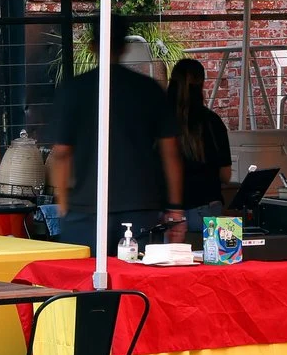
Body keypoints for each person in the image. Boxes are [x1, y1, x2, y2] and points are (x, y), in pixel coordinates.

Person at [47, 46, 183, 250]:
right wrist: (175, 208)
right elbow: (170, 152)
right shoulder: (148, 88)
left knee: (84, 278)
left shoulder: (74, 89)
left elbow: (61, 152)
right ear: (125, 47)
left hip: (86, 206)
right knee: (136, 278)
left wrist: (64, 205)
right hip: (139, 204)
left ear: (93, 46)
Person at [169, 57, 235, 216]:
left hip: (169, 213)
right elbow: (226, 176)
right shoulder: (213, 121)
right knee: (229, 240)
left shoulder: (161, 119)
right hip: (209, 207)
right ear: (202, 84)